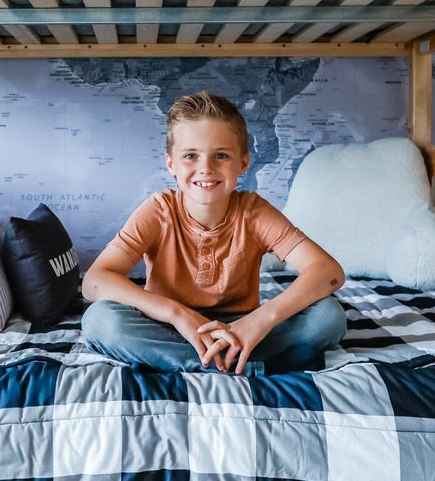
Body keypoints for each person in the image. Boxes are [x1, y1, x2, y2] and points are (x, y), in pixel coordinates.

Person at [81, 91, 347, 375]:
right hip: (170, 327)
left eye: (221, 155)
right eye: (190, 156)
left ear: (243, 162)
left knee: (329, 316)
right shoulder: (159, 210)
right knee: (100, 320)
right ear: (171, 163)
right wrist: (177, 314)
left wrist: (260, 320)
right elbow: (94, 282)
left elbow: (328, 271)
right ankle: (247, 366)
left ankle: (205, 360)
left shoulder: (254, 212)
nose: (205, 169)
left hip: (242, 327)